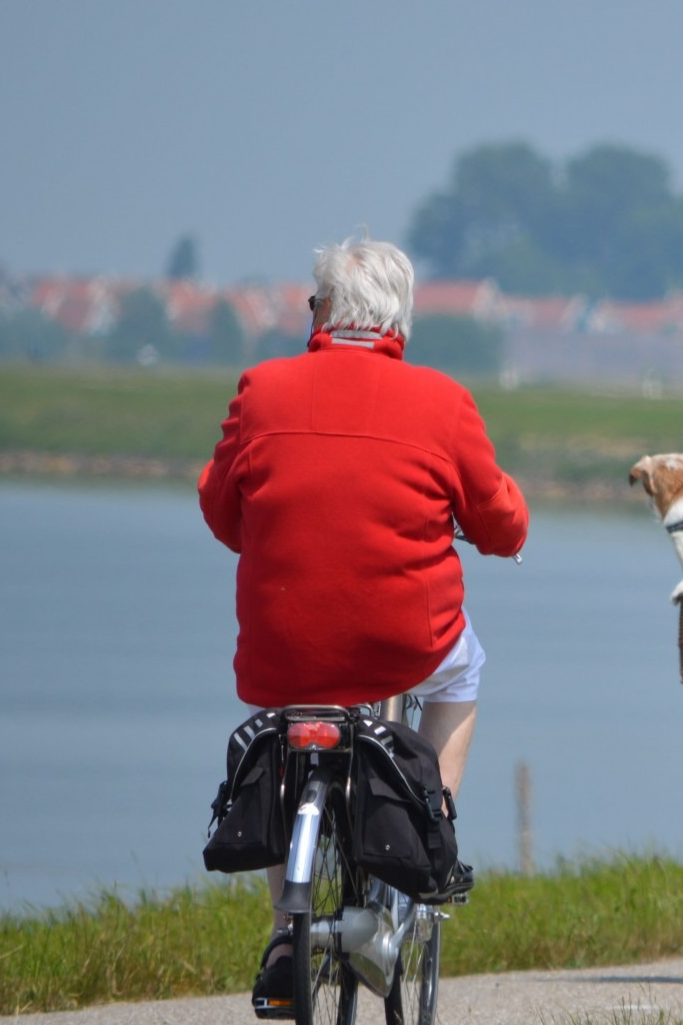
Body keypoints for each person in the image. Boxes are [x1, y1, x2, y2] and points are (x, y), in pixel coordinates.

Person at [198, 237, 528, 1015]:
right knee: (464, 670)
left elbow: (221, 510)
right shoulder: (443, 402)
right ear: (400, 323)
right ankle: (433, 835)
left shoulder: (262, 388)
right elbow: (501, 521)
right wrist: (502, 529)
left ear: (321, 313)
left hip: (283, 648)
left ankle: (288, 930)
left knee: (283, 727)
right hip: (403, 642)